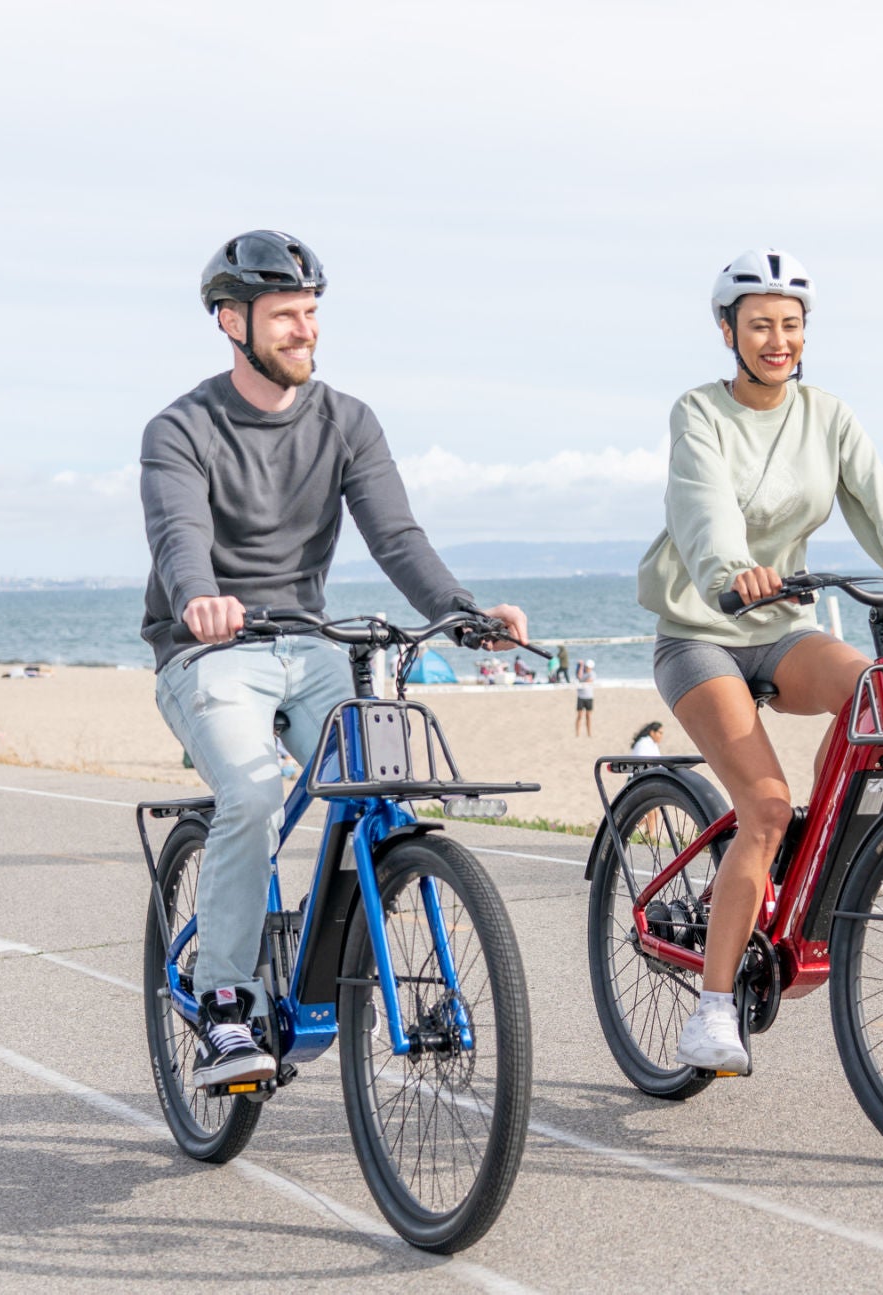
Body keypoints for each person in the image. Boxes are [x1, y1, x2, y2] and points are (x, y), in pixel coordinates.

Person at [141, 230, 529, 1090]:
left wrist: (464, 614)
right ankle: (228, 1004)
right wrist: (199, 596)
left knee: (382, 785)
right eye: (284, 315)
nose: (303, 331)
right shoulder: (181, 428)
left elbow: (397, 536)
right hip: (209, 650)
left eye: (310, 314)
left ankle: (344, 964)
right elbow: (179, 536)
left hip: (311, 644)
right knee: (253, 790)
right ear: (230, 322)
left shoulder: (348, 421)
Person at [635, 248, 883, 1075]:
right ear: (726, 330)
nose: (777, 340)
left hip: (782, 627)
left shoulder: (829, 416)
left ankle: (833, 858)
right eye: (760, 324)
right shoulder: (698, 412)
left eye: (791, 325)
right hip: (704, 625)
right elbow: (703, 512)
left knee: (881, 695)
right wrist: (734, 576)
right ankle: (714, 1008)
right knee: (765, 807)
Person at [574, 658, 596, 736]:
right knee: (579, 716)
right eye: (586, 666)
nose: (587, 668)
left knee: (588, 716)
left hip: (589, 697)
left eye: (588, 667)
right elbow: (579, 678)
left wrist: (582, 681)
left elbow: (588, 680)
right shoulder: (581, 672)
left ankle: (589, 733)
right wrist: (580, 666)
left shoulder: (592, 673)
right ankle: (577, 733)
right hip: (581, 697)